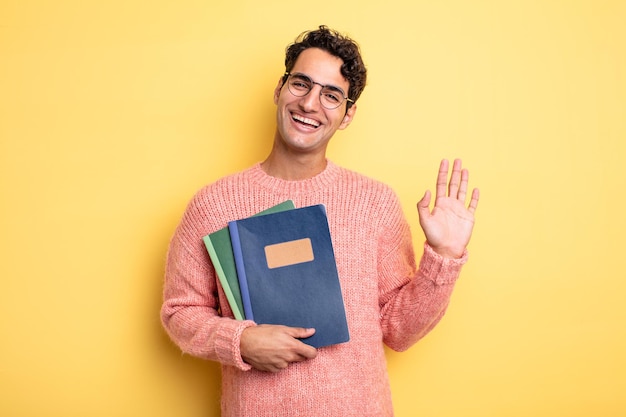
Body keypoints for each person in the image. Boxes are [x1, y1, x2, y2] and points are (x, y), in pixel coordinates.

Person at [161, 25, 479, 417]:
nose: (311, 104)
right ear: (279, 89)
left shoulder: (374, 202)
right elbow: (181, 312)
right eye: (301, 84)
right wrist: (239, 340)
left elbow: (398, 330)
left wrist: (443, 257)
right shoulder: (214, 204)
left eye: (331, 96)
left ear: (347, 115)